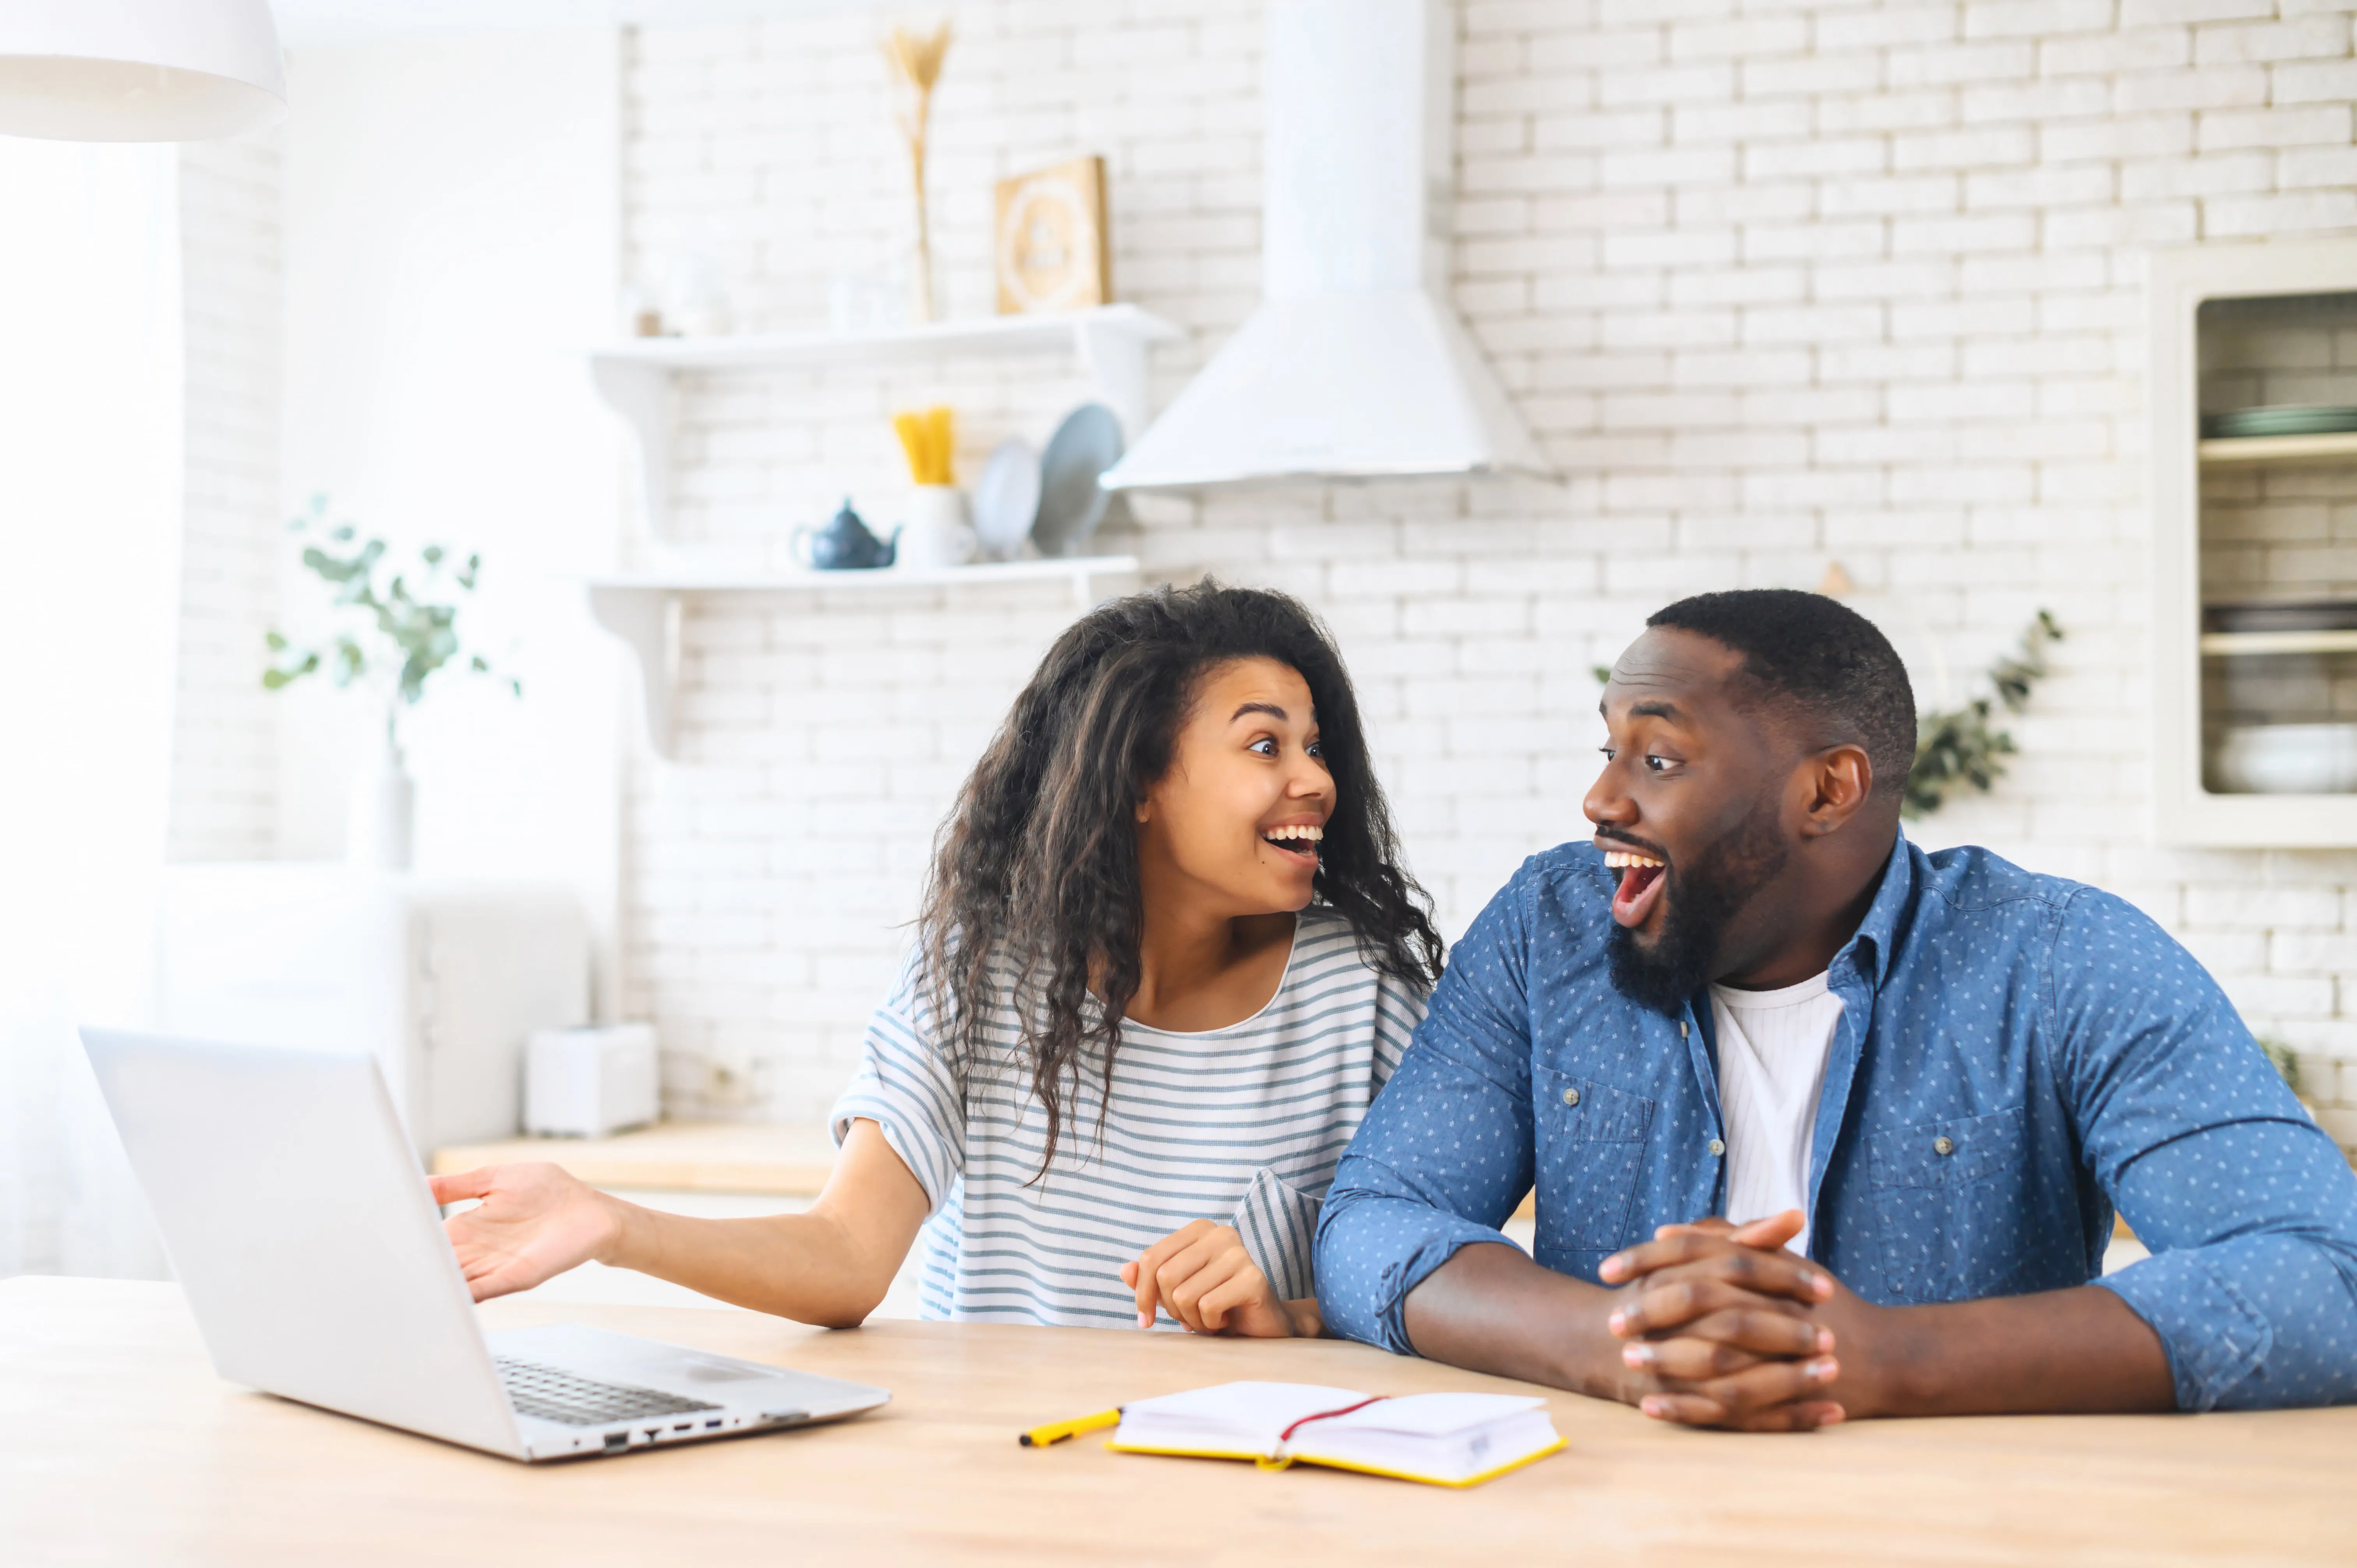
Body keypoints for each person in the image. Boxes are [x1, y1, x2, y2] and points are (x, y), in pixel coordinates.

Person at [1316, 588, 2357, 1427]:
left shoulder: (2065, 959)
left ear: (1828, 792)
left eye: (1660, 759)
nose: (1603, 800)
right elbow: (1372, 1223)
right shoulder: (1551, 929)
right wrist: (1616, 1341)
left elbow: (2327, 1277)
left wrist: (1891, 1361)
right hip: (1611, 1521)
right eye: (1611, 751)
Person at [434, 581, 1440, 1337]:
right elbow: (844, 1254)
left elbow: (1437, 1288)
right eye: (1267, 747)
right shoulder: (985, 973)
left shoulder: (1363, 996)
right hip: (991, 1477)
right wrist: (611, 1224)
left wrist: (1292, 1315)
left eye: (1316, 747)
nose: (1317, 779)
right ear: (1139, 779)